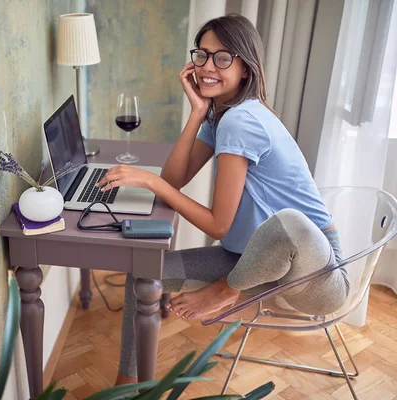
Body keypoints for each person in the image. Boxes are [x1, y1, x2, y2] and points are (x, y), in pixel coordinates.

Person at [94, 14, 350, 385]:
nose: (207, 67)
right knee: (143, 271)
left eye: (223, 58)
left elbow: (217, 224)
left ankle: (225, 290)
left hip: (317, 274)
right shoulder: (222, 116)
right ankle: (126, 385)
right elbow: (174, 179)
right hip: (252, 259)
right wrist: (198, 113)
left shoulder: (241, 121)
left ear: (246, 67)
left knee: (290, 222)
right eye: (202, 55)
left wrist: (150, 182)